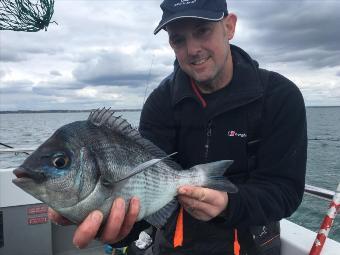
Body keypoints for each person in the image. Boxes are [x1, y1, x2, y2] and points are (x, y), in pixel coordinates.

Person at [49, 0, 307, 254]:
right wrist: (115, 229)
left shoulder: (279, 96)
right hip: (176, 247)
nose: (192, 49)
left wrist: (229, 203)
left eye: (202, 30)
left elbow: (284, 191)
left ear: (229, 27)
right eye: (178, 39)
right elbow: (145, 191)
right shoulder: (160, 104)